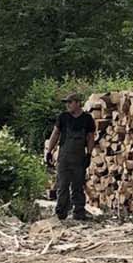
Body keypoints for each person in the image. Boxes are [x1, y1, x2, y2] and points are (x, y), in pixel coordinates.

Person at [44, 93, 96, 221]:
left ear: (78, 103)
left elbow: (90, 137)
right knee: (62, 185)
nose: (67, 105)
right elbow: (55, 134)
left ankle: (79, 213)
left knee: (78, 186)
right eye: (66, 102)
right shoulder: (63, 117)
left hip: (79, 158)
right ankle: (61, 214)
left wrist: (89, 154)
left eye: (70, 102)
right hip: (64, 157)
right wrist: (49, 151)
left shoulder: (87, 119)